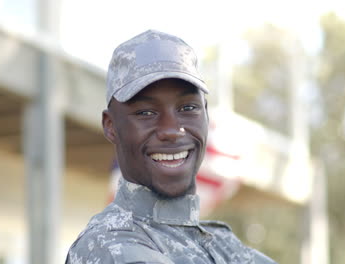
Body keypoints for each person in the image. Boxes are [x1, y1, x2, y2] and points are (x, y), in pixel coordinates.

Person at [65, 30, 277, 264]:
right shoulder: (107, 246)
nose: (172, 130)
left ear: (206, 114)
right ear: (111, 126)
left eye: (187, 108)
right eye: (146, 113)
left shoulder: (224, 246)